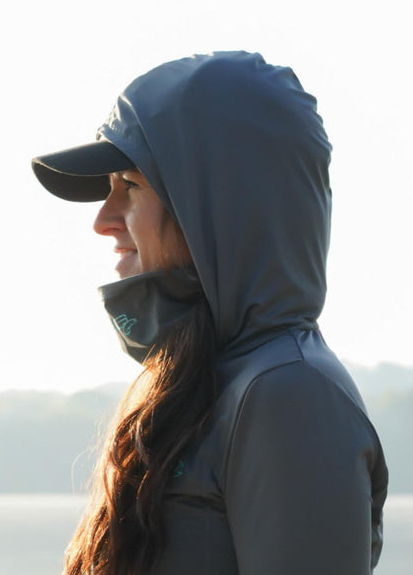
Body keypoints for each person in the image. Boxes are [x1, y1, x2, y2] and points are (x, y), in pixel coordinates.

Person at [31, 51, 388, 575]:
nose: (103, 220)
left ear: (218, 204)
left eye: (130, 186)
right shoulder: (203, 383)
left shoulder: (289, 394)